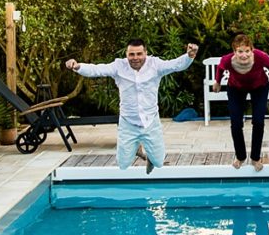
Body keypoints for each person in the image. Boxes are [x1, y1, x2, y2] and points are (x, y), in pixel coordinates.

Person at [66, 39, 198, 174]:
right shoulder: (119, 66)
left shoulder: (155, 65)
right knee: (123, 164)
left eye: (139, 54)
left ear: (146, 53)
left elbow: (175, 65)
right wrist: (77, 66)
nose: (135, 58)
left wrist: (189, 56)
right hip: (128, 122)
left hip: (150, 121)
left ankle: (150, 158)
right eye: (131, 54)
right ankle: (137, 149)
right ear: (126, 54)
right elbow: (97, 69)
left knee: (158, 162)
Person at [212, 33, 269, 171]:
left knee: (258, 121)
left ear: (252, 50)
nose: (244, 55)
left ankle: (255, 158)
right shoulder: (227, 60)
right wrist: (217, 82)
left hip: (259, 87)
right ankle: (240, 157)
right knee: (236, 123)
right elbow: (220, 68)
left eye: (247, 51)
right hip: (236, 88)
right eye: (240, 51)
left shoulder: (261, 57)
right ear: (234, 52)